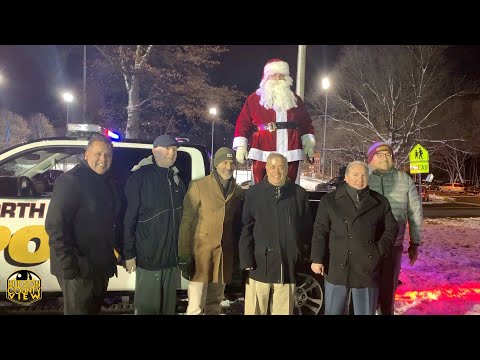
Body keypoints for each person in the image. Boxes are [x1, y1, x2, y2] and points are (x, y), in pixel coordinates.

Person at [46, 133, 122, 315]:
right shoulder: (71, 181)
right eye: (98, 154)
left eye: (107, 155)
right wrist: (67, 265)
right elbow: (55, 225)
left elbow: (112, 223)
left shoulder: (109, 182)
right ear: (86, 154)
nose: (103, 159)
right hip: (78, 267)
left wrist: (122, 251)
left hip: (100, 267)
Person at [311, 161, 398, 315]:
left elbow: (391, 228)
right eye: (355, 175)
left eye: (364, 175)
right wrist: (317, 258)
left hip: (368, 267)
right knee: (333, 311)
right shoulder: (330, 201)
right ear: (346, 177)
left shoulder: (380, 201)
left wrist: (378, 252)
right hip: (337, 265)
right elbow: (320, 231)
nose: (360, 179)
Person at [239, 153, 313, 315]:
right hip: (259, 264)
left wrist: (300, 253)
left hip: (287, 265)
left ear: (288, 169)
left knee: (283, 311)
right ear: (266, 168)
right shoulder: (254, 193)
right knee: (255, 310)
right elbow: (246, 228)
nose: (277, 171)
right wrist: (246, 258)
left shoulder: (299, 194)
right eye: (272, 166)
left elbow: (306, 228)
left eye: (281, 167)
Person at [123, 134, 186, 315]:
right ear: (154, 150)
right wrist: (129, 253)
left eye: (174, 150)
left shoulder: (176, 180)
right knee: (147, 309)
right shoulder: (140, 177)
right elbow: (129, 218)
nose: (172, 153)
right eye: (167, 149)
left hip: (171, 260)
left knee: (168, 310)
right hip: (149, 259)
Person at [178, 147, 244, 315]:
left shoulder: (238, 191)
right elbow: (186, 222)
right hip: (201, 254)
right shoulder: (199, 186)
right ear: (216, 164)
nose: (228, 167)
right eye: (224, 162)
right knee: (196, 306)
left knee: (215, 302)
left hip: (223, 256)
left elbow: (237, 224)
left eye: (231, 163)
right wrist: (184, 254)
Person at [233, 59, 315, 185]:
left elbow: (306, 123)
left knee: (290, 189)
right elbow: (243, 122)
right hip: (262, 153)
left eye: (281, 75)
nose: (277, 78)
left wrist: (308, 143)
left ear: (286, 77)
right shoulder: (254, 99)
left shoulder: (295, 100)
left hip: (291, 154)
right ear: (266, 77)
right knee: (260, 190)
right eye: (273, 74)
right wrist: (241, 146)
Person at [367, 142, 423, 315]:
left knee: (388, 289)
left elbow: (415, 213)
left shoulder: (404, 180)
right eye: (380, 154)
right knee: (366, 289)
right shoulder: (363, 178)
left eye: (388, 154)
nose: (385, 158)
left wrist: (415, 243)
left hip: (394, 245)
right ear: (370, 159)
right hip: (367, 244)